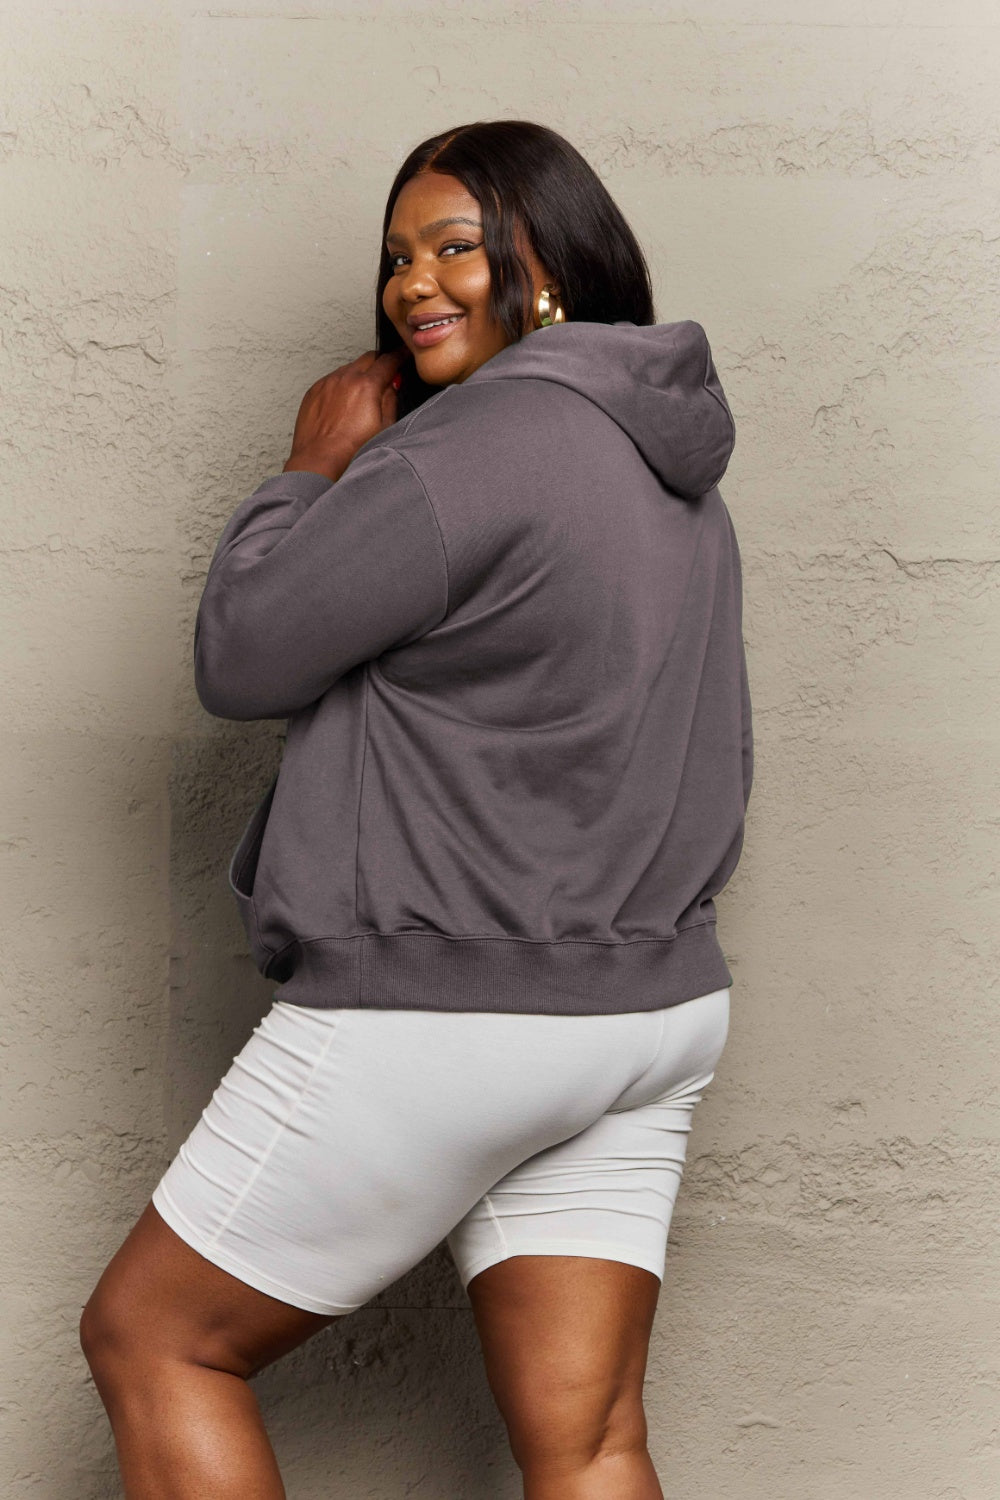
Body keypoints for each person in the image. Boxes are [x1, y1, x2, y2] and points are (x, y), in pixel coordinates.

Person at [79, 119, 754, 1500]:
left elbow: (244, 657)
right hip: (647, 1011)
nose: (414, 285)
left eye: (457, 245)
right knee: (590, 1440)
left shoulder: (467, 451)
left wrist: (309, 467)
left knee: (157, 1341)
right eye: (397, 256)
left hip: (451, 1006)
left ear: (548, 265)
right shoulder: (674, 469)